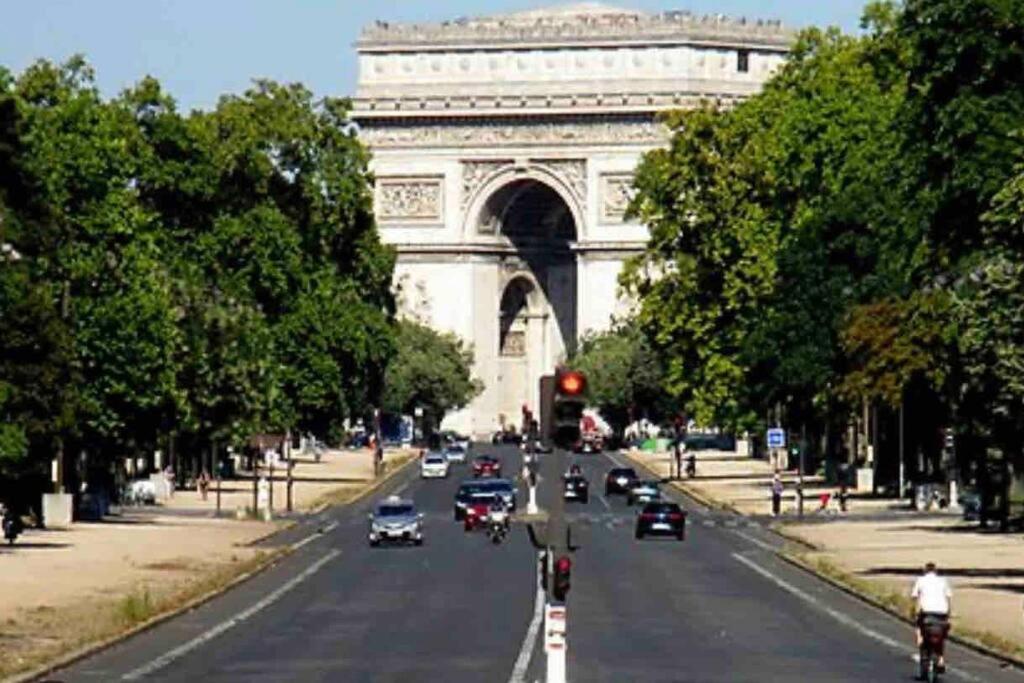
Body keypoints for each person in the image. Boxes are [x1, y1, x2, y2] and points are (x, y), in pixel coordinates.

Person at [911, 562, 952, 673]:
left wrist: (914, 612)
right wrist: (948, 614)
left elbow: (915, 598)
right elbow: (948, 598)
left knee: (920, 627)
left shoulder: (921, 580)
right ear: (936, 571)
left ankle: (920, 642)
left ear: (925, 570)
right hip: (942, 613)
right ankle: (941, 659)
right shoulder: (943, 581)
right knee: (942, 636)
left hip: (927, 613)